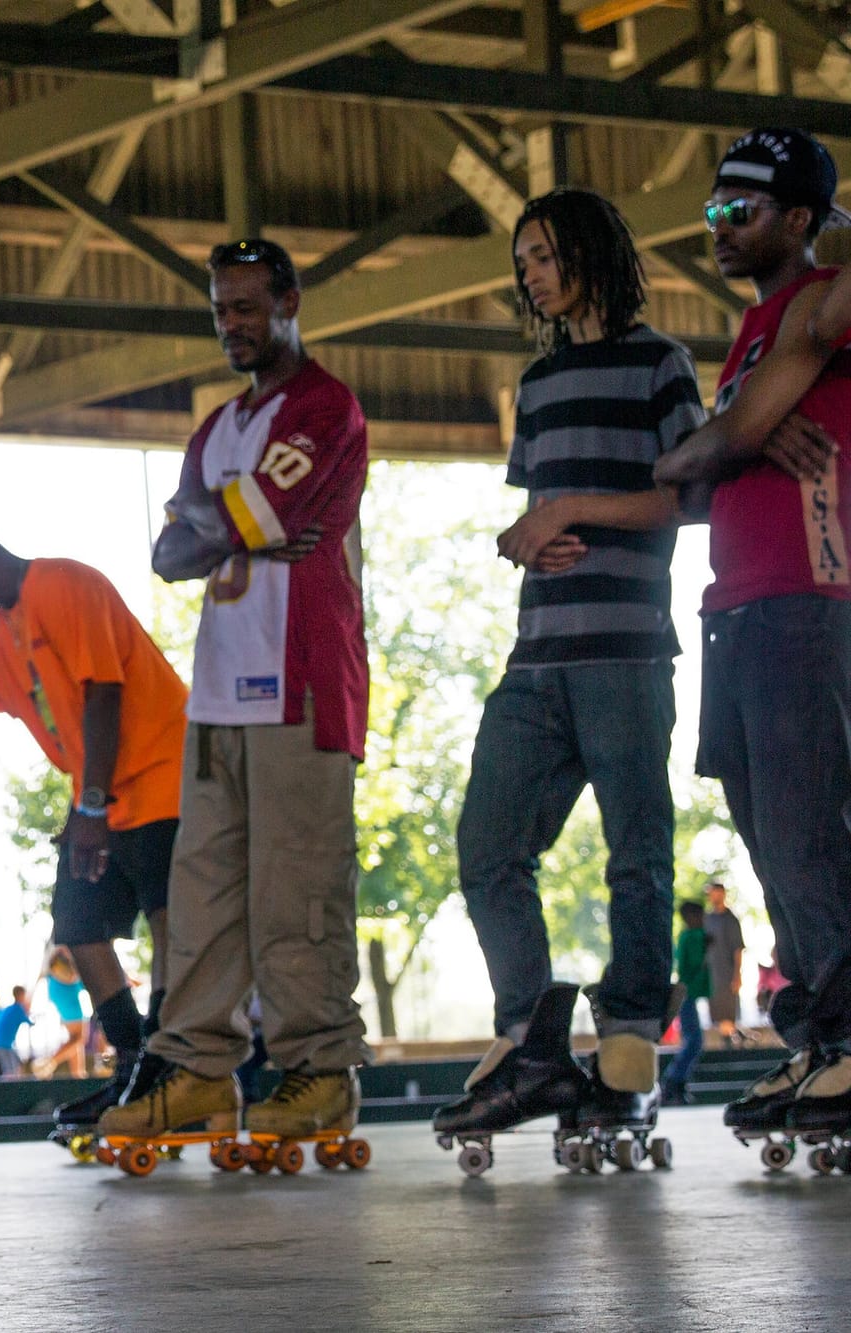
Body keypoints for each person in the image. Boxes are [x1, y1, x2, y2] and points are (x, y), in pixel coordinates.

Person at [431, 189, 701, 1146]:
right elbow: (533, 516)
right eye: (523, 264)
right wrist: (524, 536)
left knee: (639, 852)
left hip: (627, 651)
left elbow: (689, 498)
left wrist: (569, 510)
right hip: (536, 656)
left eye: (543, 255)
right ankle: (530, 1034)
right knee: (487, 844)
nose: (532, 276)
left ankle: (628, 1040)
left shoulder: (660, 364)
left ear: (590, 252)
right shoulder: (538, 384)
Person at [100, 238, 371, 1148]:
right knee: (204, 888)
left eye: (248, 306)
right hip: (217, 694)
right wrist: (234, 530)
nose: (232, 325)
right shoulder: (215, 428)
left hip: (303, 682)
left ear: (291, 300)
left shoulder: (327, 406)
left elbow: (236, 520)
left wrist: (225, 526)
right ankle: (197, 1071)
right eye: (221, 310)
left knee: (297, 889)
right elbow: (170, 553)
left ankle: (318, 1068)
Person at [651, 127, 851, 1142]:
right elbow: (693, 470)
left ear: (801, 221)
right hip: (732, 611)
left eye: (741, 209)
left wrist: (715, 444)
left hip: (801, 603)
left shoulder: (820, 305)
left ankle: (848, 1043)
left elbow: (708, 448)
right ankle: (821, 1042)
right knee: (770, 840)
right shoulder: (755, 333)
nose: (719, 225)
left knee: (811, 836)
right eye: (712, 209)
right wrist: (713, 446)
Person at [0, 522, 187, 1134]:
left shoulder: (64, 583)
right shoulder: (0, 637)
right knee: (78, 926)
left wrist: (93, 807)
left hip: (163, 771)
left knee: (169, 920)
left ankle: (173, 1064)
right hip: (97, 797)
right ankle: (134, 1064)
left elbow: (105, 691)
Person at [663, 902, 712, 1105]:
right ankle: (673, 1082)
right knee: (694, 1040)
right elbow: (690, 964)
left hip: (689, 994)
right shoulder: (690, 937)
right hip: (686, 995)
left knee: (693, 1040)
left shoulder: (691, 936)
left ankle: (677, 1082)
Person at [703, 882, 747, 1045]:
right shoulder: (707, 919)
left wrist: (737, 975)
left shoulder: (731, 919)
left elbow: (738, 949)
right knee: (715, 1014)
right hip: (711, 974)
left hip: (727, 974)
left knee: (728, 1013)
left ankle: (732, 1041)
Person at [38, 947, 89, 1079]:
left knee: (75, 1040)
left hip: (63, 1002)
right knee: (79, 1039)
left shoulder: (53, 970)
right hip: (71, 1005)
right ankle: (48, 1063)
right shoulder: (69, 969)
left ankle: (78, 1075)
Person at [0, 986, 34, 1076]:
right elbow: (31, 1022)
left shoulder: (7, 1009)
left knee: (15, 1065)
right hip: (2, 1044)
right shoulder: (18, 1009)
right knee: (11, 1071)